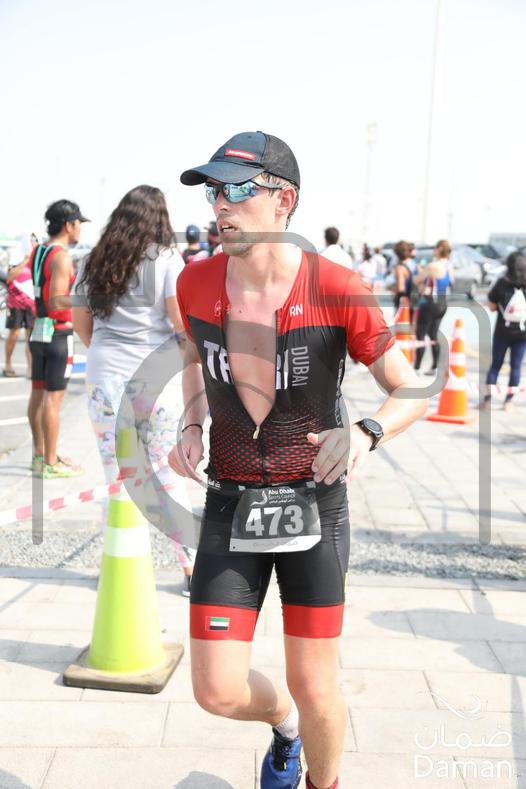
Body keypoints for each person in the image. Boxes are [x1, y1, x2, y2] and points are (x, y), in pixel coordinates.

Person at [169, 130, 427, 789]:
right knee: (216, 690)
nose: (220, 205)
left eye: (237, 190)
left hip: (313, 503)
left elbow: (413, 388)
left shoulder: (337, 286)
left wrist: (365, 431)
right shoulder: (194, 282)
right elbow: (192, 356)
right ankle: (283, 726)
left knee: (315, 685)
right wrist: (192, 421)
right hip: (230, 501)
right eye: (213, 192)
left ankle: (321, 782)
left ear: (284, 200)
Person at [72, 185, 196, 595]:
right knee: (166, 475)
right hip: (155, 384)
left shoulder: (92, 260)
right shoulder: (167, 260)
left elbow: (82, 326)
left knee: (116, 478)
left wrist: (110, 357)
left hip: (104, 380)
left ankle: (117, 571)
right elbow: (180, 324)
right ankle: (191, 569)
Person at [22, 200, 88, 478]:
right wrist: (90, 301)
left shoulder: (39, 250)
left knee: (38, 393)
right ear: (69, 225)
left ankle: (40, 455)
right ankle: (51, 462)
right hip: (58, 333)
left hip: (39, 329)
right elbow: (57, 301)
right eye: (79, 223)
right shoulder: (61, 256)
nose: (80, 229)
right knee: (53, 398)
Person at [482, 251, 526, 412]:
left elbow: (492, 306)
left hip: (502, 330)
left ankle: (488, 400)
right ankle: (508, 402)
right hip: (523, 333)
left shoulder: (502, 283)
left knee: (496, 365)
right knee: (516, 366)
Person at [413, 239, 453, 375]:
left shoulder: (433, 265)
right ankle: (435, 367)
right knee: (434, 334)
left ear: (440, 249)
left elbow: (416, 280)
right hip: (443, 303)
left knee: (420, 335)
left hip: (430, 303)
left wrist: (420, 271)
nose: (433, 250)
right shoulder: (449, 265)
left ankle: (417, 368)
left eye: (435, 248)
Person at [4, 235, 37, 377]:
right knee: (15, 333)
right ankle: (8, 363)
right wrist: (25, 261)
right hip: (15, 302)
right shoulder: (17, 258)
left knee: (30, 335)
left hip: (31, 303)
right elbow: (9, 277)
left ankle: (30, 368)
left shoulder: (37, 259)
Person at [392, 240, 415, 316]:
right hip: (415, 300)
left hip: (403, 301)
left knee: (402, 322)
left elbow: (401, 288)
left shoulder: (400, 268)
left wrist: (390, 287)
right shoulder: (415, 264)